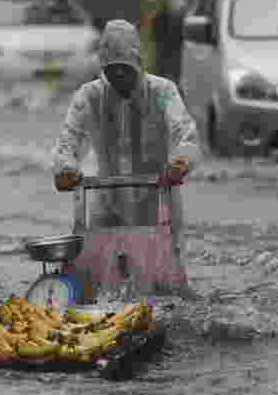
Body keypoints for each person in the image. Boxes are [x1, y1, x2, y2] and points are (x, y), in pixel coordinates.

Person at [51, 19, 201, 259]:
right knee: (99, 276)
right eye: (112, 67)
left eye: (125, 66)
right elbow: (69, 140)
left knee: (162, 280)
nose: (119, 74)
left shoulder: (162, 92)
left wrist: (180, 162)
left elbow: (186, 132)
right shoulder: (89, 97)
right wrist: (66, 168)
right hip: (107, 205)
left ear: (138, 63)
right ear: (102, 66)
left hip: (157, 203)